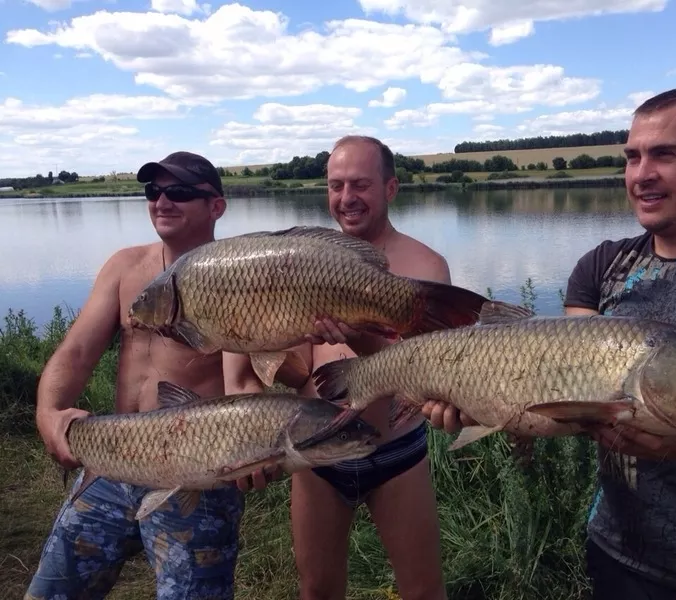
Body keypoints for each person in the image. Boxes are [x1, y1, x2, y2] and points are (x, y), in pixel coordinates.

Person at [423, 87, 676, 600]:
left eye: (664, 154)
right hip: (616, 553)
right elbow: (562, 396)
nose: (642, 174)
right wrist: (488, 403)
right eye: (632, 156)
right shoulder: (601, 267)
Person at [25, 151, 267, 600]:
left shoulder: (238, 280)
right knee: (51, 592)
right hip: (113, 461)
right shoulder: (124, 267)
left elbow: (240, 383)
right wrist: (48, 411)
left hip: (195, 475)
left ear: (217, 206)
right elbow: (76, 352)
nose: (161, 201)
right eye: (153, 191)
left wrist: (255, 446)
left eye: (179, 192)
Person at [226, 135, 449, 600]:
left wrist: (359, 336)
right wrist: (256, 338)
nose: (347, 198)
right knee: (318, 590)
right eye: (336, 185)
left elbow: (428, 372)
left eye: (360, 185)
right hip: (317, 453)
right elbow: (298, 375)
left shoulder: (426, 266)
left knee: (424, 591)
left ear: (391, 188)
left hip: (397, 453)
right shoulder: (300, 264)